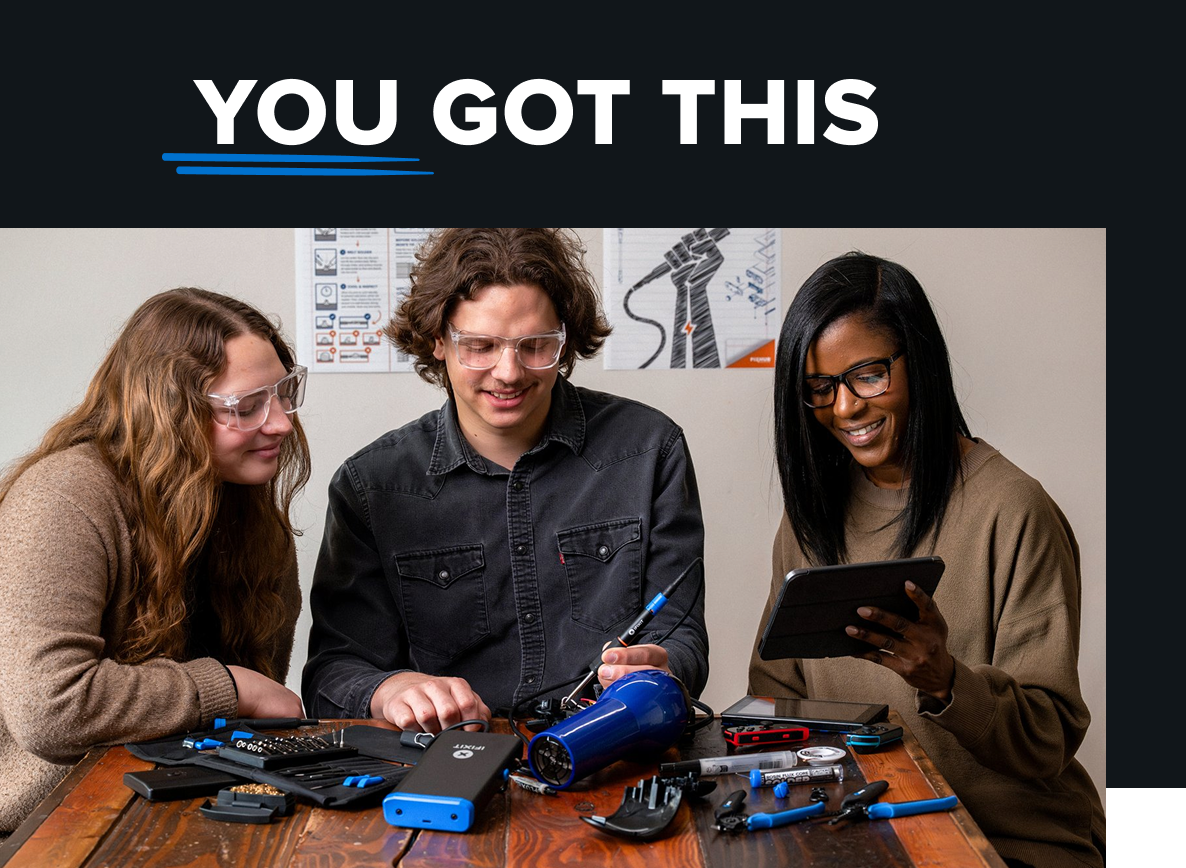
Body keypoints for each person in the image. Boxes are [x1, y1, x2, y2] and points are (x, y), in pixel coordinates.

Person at [746, 252, 1105, 868]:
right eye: (821, 388)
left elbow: (1049, 737)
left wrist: (946, 681)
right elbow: (776, 696)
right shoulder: (811, 518)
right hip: (864, 834)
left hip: (1012, 842)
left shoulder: (1012, 510)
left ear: (920, 361)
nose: (845, 408)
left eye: (868, 375)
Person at [302, 227, 708, 732]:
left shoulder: (650, 449)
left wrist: (664, 668)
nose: (509, 372)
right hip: (450, 753)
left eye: (535, 345)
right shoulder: (371, 485)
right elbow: (331, 674)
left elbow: (682, 637)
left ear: (565, 339)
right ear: (437, 341)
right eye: (480, 346)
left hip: (612, 741)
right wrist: (391, 691)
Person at [0, 287, 311, 867]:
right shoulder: (62, 500)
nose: (279, 423)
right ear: (169, 409)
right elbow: (53, 709)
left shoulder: (253, 520)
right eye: (247, 405)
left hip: (167, 820)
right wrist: (230, 686)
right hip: (17, 836)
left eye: (284, 393)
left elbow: (248, 725)